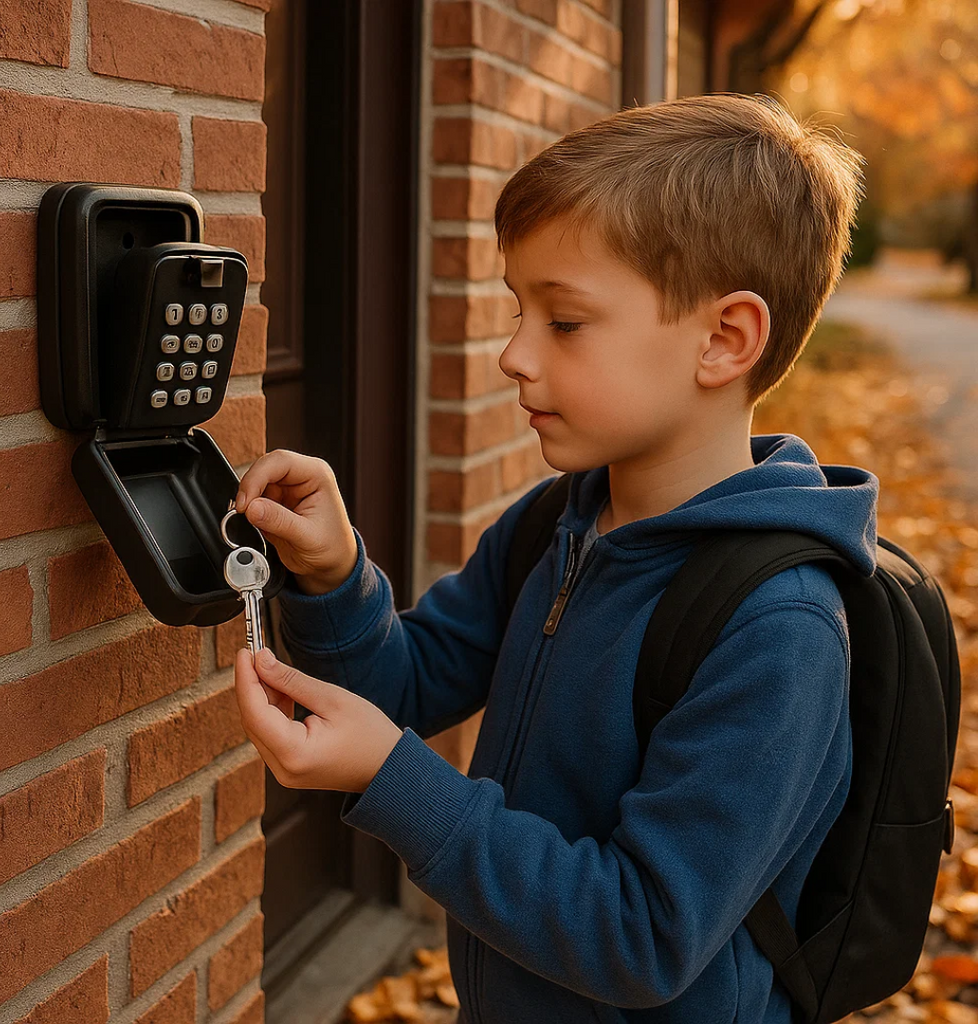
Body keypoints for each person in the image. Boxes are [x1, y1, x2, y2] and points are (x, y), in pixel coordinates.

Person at [232, 93, 877, 1023]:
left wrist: (397, 782)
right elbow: (403, 689)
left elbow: (644, 937)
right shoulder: (558, 524)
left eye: (564, 322)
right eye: (517, 310)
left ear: (725, 339)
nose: (511, 354)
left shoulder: (779, 627)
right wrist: (334, 577)